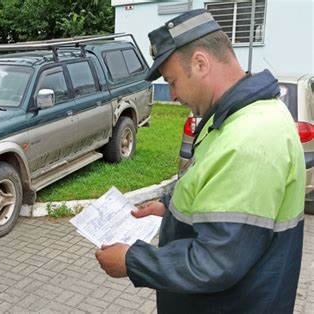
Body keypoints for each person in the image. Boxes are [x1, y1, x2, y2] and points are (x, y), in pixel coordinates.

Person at [95, 8, 305, 313]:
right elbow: (215, 189)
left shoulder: (251, 137)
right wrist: (168, 208)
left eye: (173, 81)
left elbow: (215, 262)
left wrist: (131, 261)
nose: (175, 95)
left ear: (201, 63)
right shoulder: (233, 117)